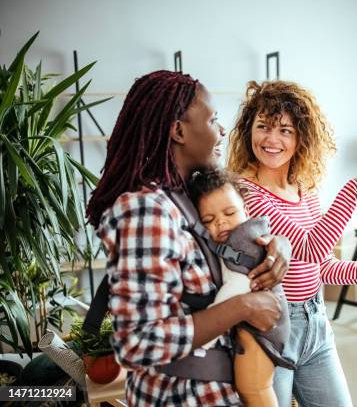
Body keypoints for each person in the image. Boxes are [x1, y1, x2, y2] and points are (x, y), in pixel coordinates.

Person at [86, 70, 292, 406]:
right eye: (212, 120)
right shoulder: (146, 211)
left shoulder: (186, 197)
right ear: (179, 131)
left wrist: (277, 245)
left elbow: (224, 244)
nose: (222, 130)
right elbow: (138, 342)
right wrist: (242, 307)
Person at [227, 80, 357, 407]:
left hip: (316, 323)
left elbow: (318, 266)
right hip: (271, 333)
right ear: (248, 129)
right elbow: (308, 247)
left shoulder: (303, 190)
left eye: (285, 131)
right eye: (262, 127)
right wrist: (352, 190)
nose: (271, 139)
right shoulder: (245, 193)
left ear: (301, 138)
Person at [186, 167, 294, 407]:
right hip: (261, 325)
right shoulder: (235, 237)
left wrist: (207, 335)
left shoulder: (242, 239)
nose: (221, 222)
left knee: (254, 387)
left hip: (264, 331)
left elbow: (238, 285)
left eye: (229, 212)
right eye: (209, 220)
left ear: (246, 210)